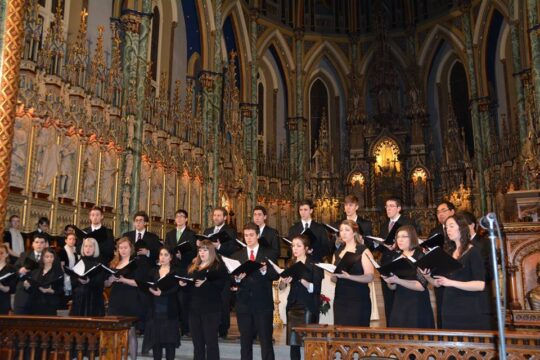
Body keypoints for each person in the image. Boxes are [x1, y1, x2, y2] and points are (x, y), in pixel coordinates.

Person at [421, 214, 488, 330]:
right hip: (449, 308)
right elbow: (438, 283)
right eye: (446, 227)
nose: (448, 230)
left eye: (451, 226)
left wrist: (451, 282)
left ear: (461, 227)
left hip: (468, 308)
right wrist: (427, 276)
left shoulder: (473, 252)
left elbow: (480, 285)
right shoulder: (448, 253)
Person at [233, 222, 278, 360]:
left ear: (258, 235)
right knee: (245, 342)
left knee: (266, 341)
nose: (248, 238)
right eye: (246, 235)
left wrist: (265, 271)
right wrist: (237, 279)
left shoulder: (268, 253)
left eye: (251, 235)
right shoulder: (237, 255)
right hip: (244, 304)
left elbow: (275, 275)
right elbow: (231, 279)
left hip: (263, 304)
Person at [179, 240, 227, 360]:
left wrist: (206, 283)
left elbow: (220, 286)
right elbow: (189, 289)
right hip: (194, 310)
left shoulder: (217, 266)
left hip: (211, 310)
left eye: (205, 250)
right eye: (200, 250)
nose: (202, 253)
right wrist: (184, 285)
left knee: (211, 343)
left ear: (211, 251)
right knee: (197, 344)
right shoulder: (193, 267)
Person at [279, 234, 323, 360]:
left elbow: (317, 289)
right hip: (293, 306)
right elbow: (281, 287)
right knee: (294, 344)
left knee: (309, 343)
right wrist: (284, 282)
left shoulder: (315, 263)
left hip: (308, 306)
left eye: (298, 246)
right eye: (293, 246)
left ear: (306, 248)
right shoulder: (290, 263)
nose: (295, 248)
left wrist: (305, 282)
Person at [382, 225, 434, 328]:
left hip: (417, 303)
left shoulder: (420, 256)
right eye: (398, 237)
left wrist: (398, 281)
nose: (399, 240)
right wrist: (389, 281)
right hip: (399, 302)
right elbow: (393, 287)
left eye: (404, 236)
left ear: (412, 238)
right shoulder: (396, 257)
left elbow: (421, 286)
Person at [378, 197, 416, 323]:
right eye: (386, 206)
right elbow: (383, 246)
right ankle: (390, 328)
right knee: (388, 301)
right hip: (386, 265)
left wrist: (397, 246)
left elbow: (414, 243)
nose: (388, 209)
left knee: (400, 301)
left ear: (399, 208)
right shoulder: (384, 225)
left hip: (402, 264)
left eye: (391, 206)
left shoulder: (407, 222)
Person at [203, 207, 239, 338]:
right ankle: (210, 326)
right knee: (209, 299)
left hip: (223, 270)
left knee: (223, 301)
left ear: (225, 217)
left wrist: (219, 247)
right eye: (214, 215)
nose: (216, 217)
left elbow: (234, 249)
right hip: (209, 268)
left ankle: (223, 329)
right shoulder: (208, 231)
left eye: (219, 215)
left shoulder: (230, 231)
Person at [332, 219, 374, 326]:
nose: (343, 233)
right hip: (340, 297)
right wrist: (334, 275)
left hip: (358, 297)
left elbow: (370, 277)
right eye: (341, 230)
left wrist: (349, 276)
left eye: (347, 230)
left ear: (354, 232)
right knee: (341, 332)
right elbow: (334, 279)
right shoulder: (337, 252)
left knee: (357, 333)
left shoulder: (363, 250)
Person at [105, 238, 142, 360]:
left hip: (130, 298)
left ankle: (133, 358)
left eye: (126, 247)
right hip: (116, 298)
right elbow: (106, 284)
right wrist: (109, 281)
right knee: (113, 330)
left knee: (130, 331)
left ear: (131, 248)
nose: (123, 250)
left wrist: (123, 280)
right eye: (121, 248)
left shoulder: (136, 263)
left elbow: (139, 283)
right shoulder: (114, 263)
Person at [142, 247, 180, 360]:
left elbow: (176, 288)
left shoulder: (175, 271)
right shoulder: (153, 271)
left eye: (166, 255)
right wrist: (149, 289)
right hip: (155, 310)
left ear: (171, 257)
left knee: (170, 344)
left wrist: (162, 293)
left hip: (169, 310)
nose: (162, 257)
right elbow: (147, 285)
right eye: (161, 254)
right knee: (156, 343)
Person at [165, 209, 197, 336]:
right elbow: (166, 248)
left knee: (184, 300)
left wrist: (182, 255)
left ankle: (185, 328)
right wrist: (173, 255)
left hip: (185, 268)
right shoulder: (170, 234)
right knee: (173, 300)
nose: (179, 219)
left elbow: (194, 252)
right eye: (177, 216)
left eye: (182, 216)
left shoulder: (191, 234)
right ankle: (174, 327)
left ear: (186, 219)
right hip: (172, 269)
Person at [461, 210, 495, 329]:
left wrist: (471, 275)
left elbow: (491, 271)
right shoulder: (456, 246)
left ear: (472, 225)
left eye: (462, 225)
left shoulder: (484, 243)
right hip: (461, 296)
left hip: (480, 296)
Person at [428, 201, 455, 328]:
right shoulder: (434, 231)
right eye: (438, 212)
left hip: (455, 275)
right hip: (439, 275)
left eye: (443, 210)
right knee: (441, 308)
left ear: (452, 212)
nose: (440, 214)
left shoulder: (459, 230)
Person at [70, 237, 106, 316]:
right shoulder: (79, 262)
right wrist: (78, 280)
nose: (88, 248)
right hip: (79, 299)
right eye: (85, 246)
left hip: (93, 300)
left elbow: (100, 282)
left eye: (90, 246)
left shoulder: (99, 263)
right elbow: (72, 281)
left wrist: (89, 281)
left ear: (95, 248)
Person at [13, 235, 47, 314]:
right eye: (37, 242)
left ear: (45, 244)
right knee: (19, 324)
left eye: (42, 242)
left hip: (39, 295)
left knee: (37, 325)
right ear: (33, 244)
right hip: (23, 294)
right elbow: (15, 270)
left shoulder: (49, 257)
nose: (39, 244)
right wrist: (20, 271)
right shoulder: (24, 255)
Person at [25, 247, 64, 315]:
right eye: (47, 257)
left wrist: (51, 291)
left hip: (49, 304)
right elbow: (32, 287)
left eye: (51, 256)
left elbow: (61, 290)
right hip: (35, 303)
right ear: (42, 258)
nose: (49, 259)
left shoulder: (58, 271)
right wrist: (27, 286)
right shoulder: (36, 270)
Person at [0, 243, 17, 314]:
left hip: (3, 302)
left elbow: (10, 289)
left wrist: (0, 286)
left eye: (1, 253)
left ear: (7, 254)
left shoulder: (11, 269)